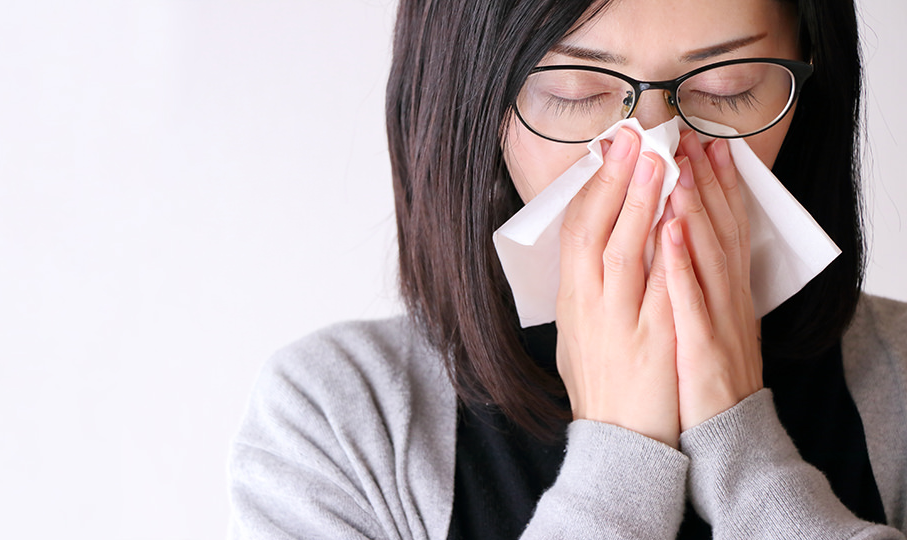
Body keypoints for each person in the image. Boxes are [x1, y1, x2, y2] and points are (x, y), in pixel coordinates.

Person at [228, 0, 907, 538]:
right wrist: (618, 467)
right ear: (476, 103)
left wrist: (748, 453)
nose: (658, 160)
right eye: (578, 93)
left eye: (726, 90)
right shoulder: (339, 423)